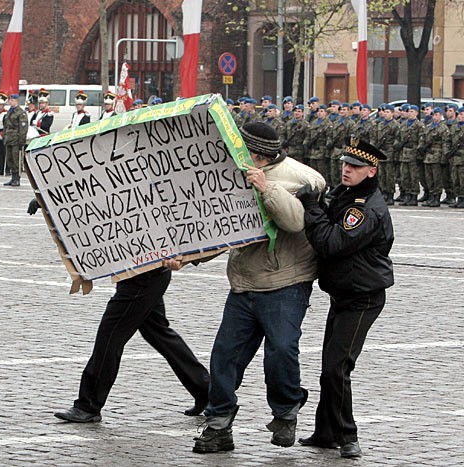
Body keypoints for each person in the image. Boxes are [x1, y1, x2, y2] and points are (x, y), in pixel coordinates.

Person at [192, 122, 325, 454]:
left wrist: (266, 188)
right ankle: (219, 425)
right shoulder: (233, 173)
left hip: (285, 282)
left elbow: (295, 221)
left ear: (258, 155)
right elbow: (222, 225)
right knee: (225, 356)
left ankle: (285, 412)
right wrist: (189, 257)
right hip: (244, 282)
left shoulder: (301, 178)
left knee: (281, 351)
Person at [296, 137, 394, 459]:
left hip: (362, 299)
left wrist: (312, 208)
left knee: (336, 368)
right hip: (344, 294)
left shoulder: (367, 210)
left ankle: (348, 436)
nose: (346, 169)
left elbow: (331, 243)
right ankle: (326, 432)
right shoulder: (346, 195)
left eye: (354, 166)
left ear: (371, 171)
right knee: (330, 366)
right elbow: (329, 214)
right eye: (344, 164)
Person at [45, 244, 211, 422]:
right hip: (139, 271)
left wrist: (185, 257)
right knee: (158, 333)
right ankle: (206, 390)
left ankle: (89, 405)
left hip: (143, 275)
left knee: (110, 336)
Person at [3, 93, 29, 187]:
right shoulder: (10, 111)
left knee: (16, 159)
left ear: (17, 101)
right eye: (10, 100)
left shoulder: (20, 112)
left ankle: (17, 178)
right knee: (10, 159)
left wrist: (21, 141)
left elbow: (23, 128)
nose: (10, 102)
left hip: (16, 140)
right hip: (9, 138)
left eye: (12, 100)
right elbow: (6, 126)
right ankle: (13, 178)